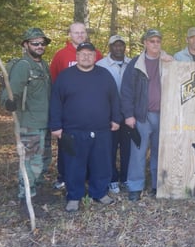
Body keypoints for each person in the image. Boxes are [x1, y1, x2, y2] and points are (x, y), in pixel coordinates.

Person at [49, 42, 121, 212]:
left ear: (95, 56)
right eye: (82, 53)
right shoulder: (65, 77)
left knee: (101, 164)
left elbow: (115, 100)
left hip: (101, 130)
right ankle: (74, 196)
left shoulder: (104, 75)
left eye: (90, 53)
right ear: (77, 56)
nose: (86, 56)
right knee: (74, 165)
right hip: (73, 131)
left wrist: (116, 119)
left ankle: (100, 193)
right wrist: (55, 125)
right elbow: (55, 103)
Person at [49, 22, 103, 190]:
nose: (79, 35)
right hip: (68, 112)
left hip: (91, 112)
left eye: (82, 32)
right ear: (70, 34)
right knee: (67, 146)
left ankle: (87, 177)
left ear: (86, 34)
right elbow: (54, 81)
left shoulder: (97, 54)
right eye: (76, 32)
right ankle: (64, 176)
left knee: (89, 147)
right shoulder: (61, 55)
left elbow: (101, 77)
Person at [2, 28, 52, 209]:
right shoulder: (23, 66)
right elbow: (9, 92)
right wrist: (9, 102)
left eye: (42, 43)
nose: (40, 46)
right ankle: (27, 200)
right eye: (35, 43)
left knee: (44, 161)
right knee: (32, 164)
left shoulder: (43, 65)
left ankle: (37, 192)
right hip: (30, 124)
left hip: (44, 122)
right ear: (25, 44)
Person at [121, 29, 172, 201]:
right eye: (152, 41)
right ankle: (135, 186)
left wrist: (172, 61)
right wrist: (128, 115)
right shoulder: (135, 64)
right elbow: (126, 91)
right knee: (138, 152)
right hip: (142, 116)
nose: (155, 44)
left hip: (165, 116)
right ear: (145, 43)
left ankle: (159, 186)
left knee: (161, 152)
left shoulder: (168, 61)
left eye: (158, 41)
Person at [96, 35, 132, 194]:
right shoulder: (100, 65)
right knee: (109, 148)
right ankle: (112, 179)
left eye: (121, 45)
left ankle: (125, 177)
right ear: (109, 47)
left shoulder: (132, 63)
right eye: (115, 45)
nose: (118, 48)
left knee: (128, 148)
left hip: (128, 113)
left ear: (125, 47)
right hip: (108, 114)